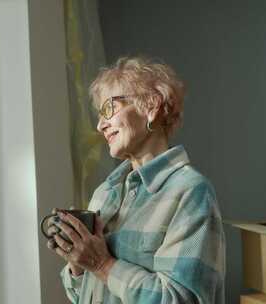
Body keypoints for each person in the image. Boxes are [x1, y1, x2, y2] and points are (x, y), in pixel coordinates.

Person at [46, 56, 226, 303]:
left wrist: (102, 265)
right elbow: (85, 294)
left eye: (109, 108)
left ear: (151, 106)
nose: (100, 125)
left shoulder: (191, 192)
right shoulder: (104, 193)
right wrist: (78, 262)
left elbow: (182, 300)